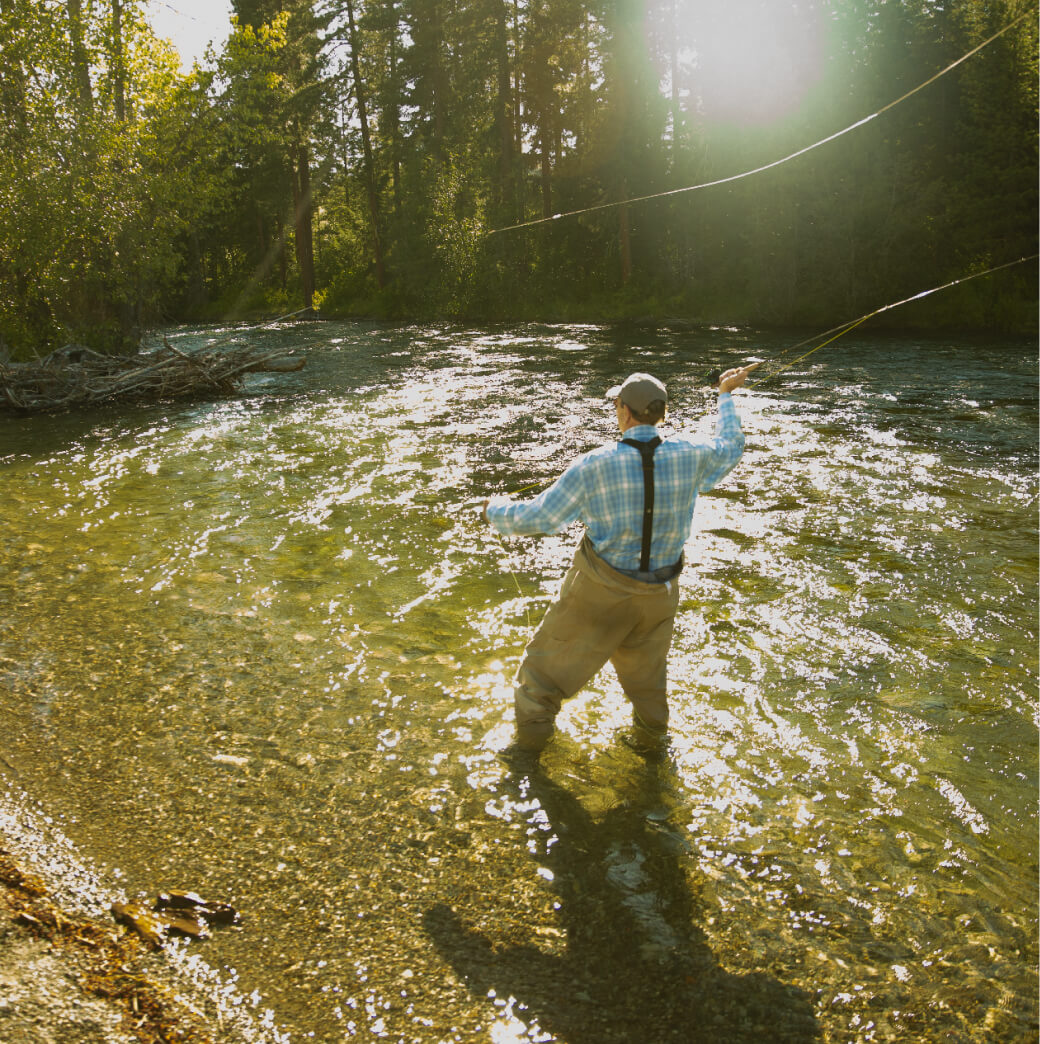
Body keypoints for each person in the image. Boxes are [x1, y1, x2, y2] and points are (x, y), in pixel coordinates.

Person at [481, 365, 757, 752]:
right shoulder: (692, 454)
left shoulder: (595, 464)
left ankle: (527, 764)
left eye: (616, 403)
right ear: (661, 412)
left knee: (540, 681)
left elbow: (540, 518)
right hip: (659, 595)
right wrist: (725, 394)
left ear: (625, 411)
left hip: (599, 594)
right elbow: (731, 445)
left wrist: (493, 511)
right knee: (647, 689)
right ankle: (651, 762)